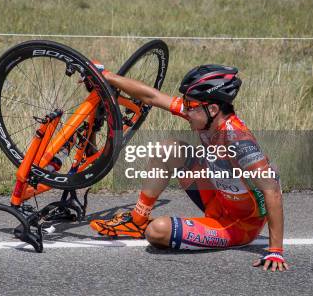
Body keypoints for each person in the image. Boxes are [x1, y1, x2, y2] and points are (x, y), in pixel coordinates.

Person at [89, 63, 288, 272]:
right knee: (169, 149)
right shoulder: (207, 117)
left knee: (157, 231)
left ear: (212, 109)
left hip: (239, 223)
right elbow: (152, 97)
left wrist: (275, 250)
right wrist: (106, 76)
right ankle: (137, 221)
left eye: (190, 106)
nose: (186, 110)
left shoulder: (238, 140)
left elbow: (272, 190)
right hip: (218, 196)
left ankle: (151, 227)